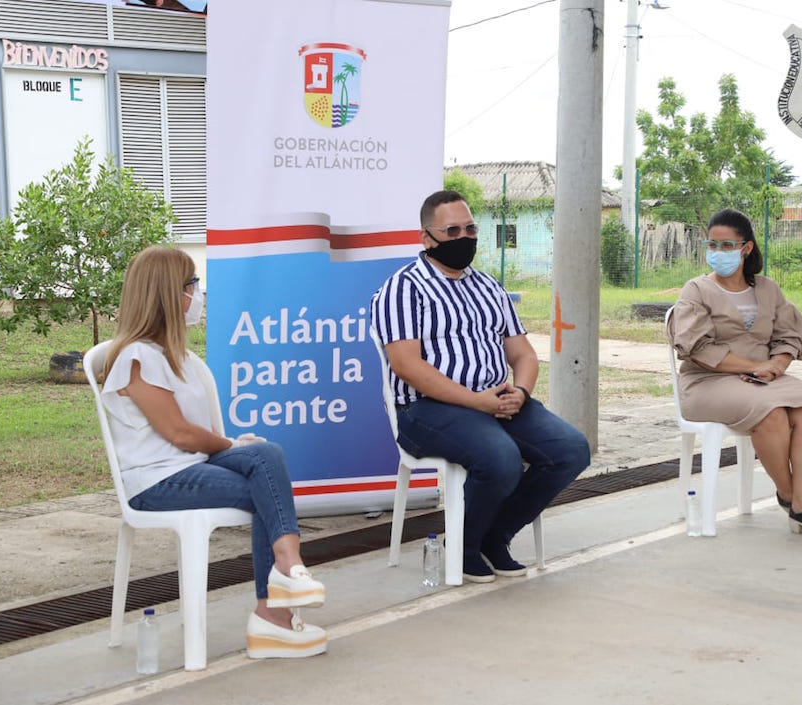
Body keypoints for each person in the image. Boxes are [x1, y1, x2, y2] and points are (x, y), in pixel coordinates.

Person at [101, 246, 327, 658]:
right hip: (157, 480)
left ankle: (284, 574)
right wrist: (230, 445)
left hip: (192, 467)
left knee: (268, 454)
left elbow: (195, 439)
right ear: (168, 294)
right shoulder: (136, 358)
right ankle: (275, 606)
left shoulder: (179, 357)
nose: (198, 294)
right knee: (267, 489)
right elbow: (181, 434)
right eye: (192, 285)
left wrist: (237, 446)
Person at [371, 189, 591, 582]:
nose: (464, 238)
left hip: (499, 401)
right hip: (427, 411)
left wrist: (519, 393)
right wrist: (476, 402)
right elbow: (407, 366)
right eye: (451, 230)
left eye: (470, 228)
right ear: (427, 238)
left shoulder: (489, 287)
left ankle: (495, 536)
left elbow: (523, 355)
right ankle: (464, 546)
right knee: (500, 458)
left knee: (571, 450)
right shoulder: (403, 289)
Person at [666, 208, 802, 539]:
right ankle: (795, 499)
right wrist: (753, 366)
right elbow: (697, 348)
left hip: (763, 379)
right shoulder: (697, 290)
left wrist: (778, 364)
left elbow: (790, 335)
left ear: (746, 248)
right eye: (712, 245)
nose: (717, 253)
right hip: (707, 383)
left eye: (726, 245)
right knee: (772, 414)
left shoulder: (767, 289)